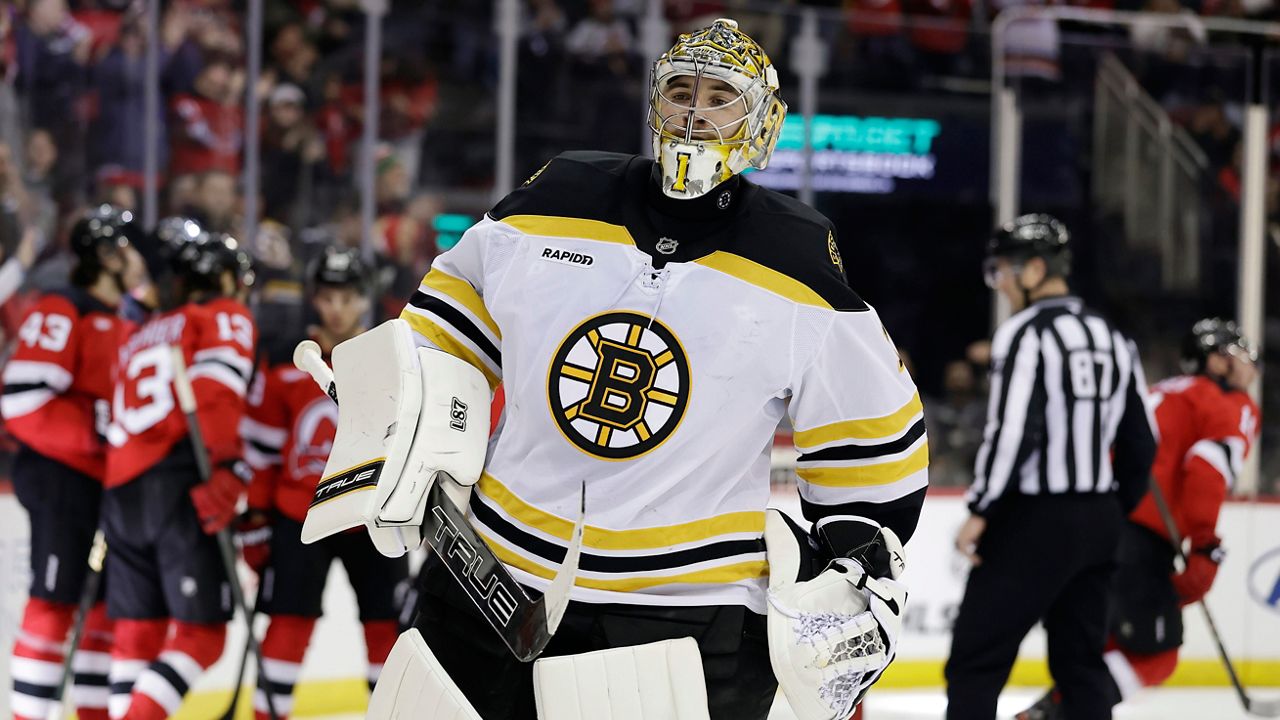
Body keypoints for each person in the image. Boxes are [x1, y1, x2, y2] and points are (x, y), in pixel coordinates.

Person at [316, 18, 927, 720]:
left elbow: (870, 436)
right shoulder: (556, 199)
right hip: (494, 571)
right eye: (680, 91)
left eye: (720, 98)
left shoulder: (796, 261)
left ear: (762, 122)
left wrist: (857, 555)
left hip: (685, 610)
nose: (695, 113)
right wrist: (397, 417)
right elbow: (446, 322)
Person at [945, 213, 1158, 720]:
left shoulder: (1024, 333)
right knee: (1080, 665)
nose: (1001, 283)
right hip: (1098, 520)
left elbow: (1015, 430)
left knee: (976, 660)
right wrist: (1111, 508)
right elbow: (1142, 440)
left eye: (1004, 271)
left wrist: (982, 509)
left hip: (1034, 520)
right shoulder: (1113, 337)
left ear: (1036, 270)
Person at [1017, 318, 1260, 720]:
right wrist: (1203, 544)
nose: (1250, 365)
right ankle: (1053, 712)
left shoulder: (1161, 391)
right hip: (1136, 535)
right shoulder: (1229, 403)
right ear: (1216, 362)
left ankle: (1055, 709)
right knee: (1153, 655)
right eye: (1238, 354)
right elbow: (1206, 469)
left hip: (1082, 521)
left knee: (1100, 640)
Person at [238, 247, 409, 719]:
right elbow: (262, 450)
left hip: (374, 515)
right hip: (300, 517)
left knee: (386, 630)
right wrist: (255, 517)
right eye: (328, 297)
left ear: (366, 298)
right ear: (314, 298)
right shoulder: (284, 360)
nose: (337, 308)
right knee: (288, 627)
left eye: (348, 297)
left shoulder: (395, 356)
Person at [101, 230, 257, 720]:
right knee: (202, 636)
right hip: (179, 483)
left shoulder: (142, 330)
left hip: (120, 489)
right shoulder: (222, 315)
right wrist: (227, 465)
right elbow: (214, 394)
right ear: (227, 280)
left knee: (137, 632)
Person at [4, 206, 138, 720]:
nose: (139, 260)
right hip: (60, 478)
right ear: (105, 256)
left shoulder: (125, 318)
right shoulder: (62, 308)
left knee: (102, 608)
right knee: (55, 602)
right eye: (128, 248)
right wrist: (100, 429)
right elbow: (22, 400)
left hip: (106, 482)